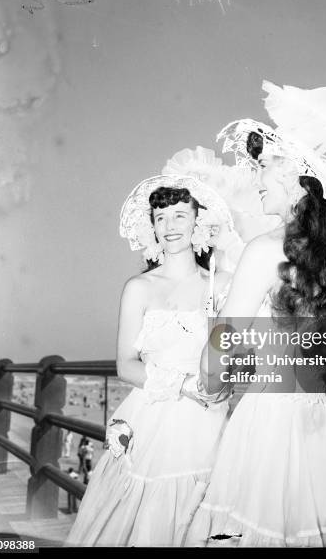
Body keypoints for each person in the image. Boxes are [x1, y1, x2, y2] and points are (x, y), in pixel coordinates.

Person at [184, 123, 326, 547]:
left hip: (272, 424)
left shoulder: (266, 249)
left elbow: (220, 352)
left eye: (262, 166)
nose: (255, 179)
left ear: (290, 175)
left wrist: (208, 387)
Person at [64, 174, 235, 547]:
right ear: (151, 226)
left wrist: (226, 376)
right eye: (160, 217)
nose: (169, 226)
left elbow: (239, 351)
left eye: (179, 215)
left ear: (198, 220)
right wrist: (185, 385)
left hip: (210, 423)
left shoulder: (222, 285)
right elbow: (125, 364)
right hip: (153, 416)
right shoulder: (138, 287)